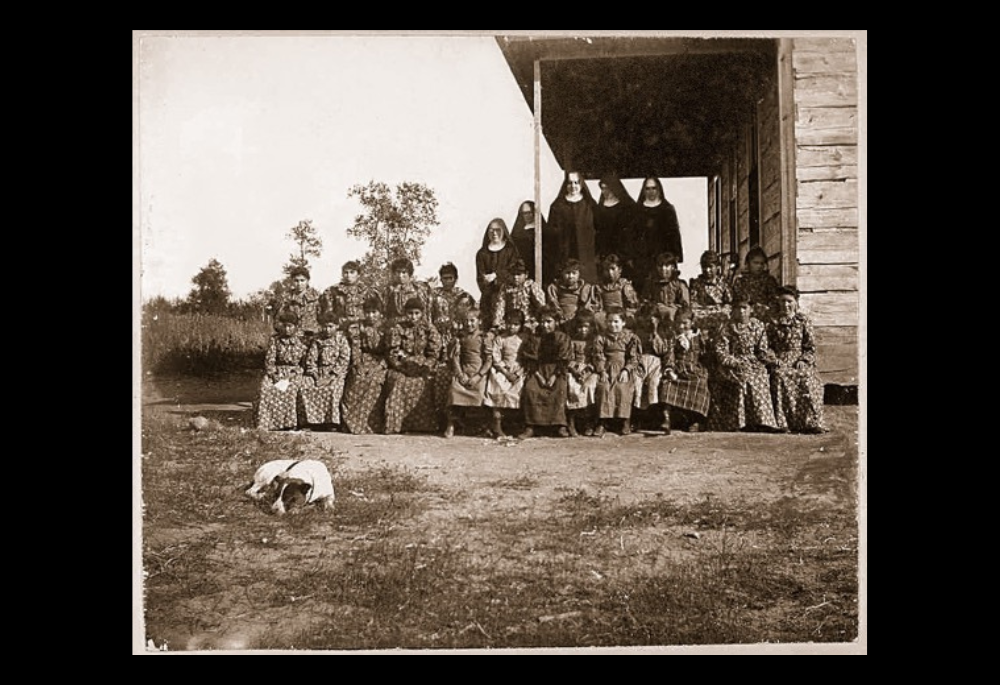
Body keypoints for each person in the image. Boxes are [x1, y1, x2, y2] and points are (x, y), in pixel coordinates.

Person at [712, 295, 779, 432]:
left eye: (744, 308)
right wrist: (734, 362)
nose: (741, 312)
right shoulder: (726, 327)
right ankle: (741, 422)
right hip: (732, 364)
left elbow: (761, 350)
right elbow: (721, 351)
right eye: (738, 308)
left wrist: (768, 360)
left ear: (751, 309)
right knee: (743, 379)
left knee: (760, 377)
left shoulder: (758, 326)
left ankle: (763, 422)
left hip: (752, 362)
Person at [766, 286, 827, 433]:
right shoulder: (772, 322)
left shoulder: (803, 321)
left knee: (806, 378)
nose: (785, 305)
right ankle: (783, 423)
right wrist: (774, 359)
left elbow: (810, 346)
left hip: (799, 359)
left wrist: (804, 360)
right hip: (780, 359)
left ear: (796, 302)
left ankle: (811, 422)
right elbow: (766, 345)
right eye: (782, 301)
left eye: (789, 301)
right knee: (780, 376)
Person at [383, 297, 442, 434]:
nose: (413, 317)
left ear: (422, 313)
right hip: (402, 366)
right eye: (410, 313)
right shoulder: (398, 329)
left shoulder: (429, 328)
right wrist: (402, 367)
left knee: (426, 382)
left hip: (423, 365)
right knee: (398, 382)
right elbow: (392, 352)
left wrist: (425, 366)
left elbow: (434, 352)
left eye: (417, 313)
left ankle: (425, 426)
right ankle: (396, 425)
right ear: (405, 313)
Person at [519, 306, 573, 438]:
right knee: (531, 389)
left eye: (549, 321)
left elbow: (564, 359)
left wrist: (554, 376)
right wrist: (539, 376)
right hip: (538, 370)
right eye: (542, 321)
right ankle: (530, 426)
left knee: (559, 388)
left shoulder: (562, 338)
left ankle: (560, 425)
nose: (545, 325)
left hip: (556, 370)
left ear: (556, 322)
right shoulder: (535, 338)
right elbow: (530, 359)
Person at [656, 307, 711, 434]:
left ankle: (694, 420)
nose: (681, 326)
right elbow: (669, 355)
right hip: (678, 367)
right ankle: (666, 418)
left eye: (685, 323)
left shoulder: (699, 336)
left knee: (700, 384)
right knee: (667, 383)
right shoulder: (673, 337)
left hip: (694, 368)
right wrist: (669, 369)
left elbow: (705, 354)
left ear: (692, 322)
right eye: (678, 323)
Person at [254, 311, 309, 431]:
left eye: (290, 326)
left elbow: (304, 364)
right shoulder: (275, 341)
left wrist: (293, 375)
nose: (287, 329)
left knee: (290, 389)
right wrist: (273, 375)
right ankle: (266, 423)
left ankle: (289, 423)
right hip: (277, 371)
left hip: (294, 373)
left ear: (296, 327)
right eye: (285, 326)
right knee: (266, 388)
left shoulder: (302, 343)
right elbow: (269, 360)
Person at [340, 297, 388, 435]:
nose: (370, 316)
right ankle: (351, 424)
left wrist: (379, 367)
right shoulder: (358, 327)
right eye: (367, 312)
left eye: (374, 312)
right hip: (363, 359)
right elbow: (356, 348)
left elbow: (389, 351)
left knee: (374, 382)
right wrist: (357, 364)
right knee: (356, 380)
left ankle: (371, 425)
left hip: (380, 362)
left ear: (380, 313)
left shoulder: (386, 328)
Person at [593, 307, 642, 437]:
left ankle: (625, 420)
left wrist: (626, 370)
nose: (612, 325)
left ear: (623, 322)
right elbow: (599, 356)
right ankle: (603, 422)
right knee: (604, 388)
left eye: (616, 322)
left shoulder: (630, 337)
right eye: (609, 321)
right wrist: (602, 371)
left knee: (623, 388)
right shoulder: (601, 338)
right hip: (607, 368)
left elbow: (634, 357)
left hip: (623, 368)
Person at [299, 310, 351, 430]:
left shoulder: (341, 339)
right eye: (325, 326)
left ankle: (331, 423)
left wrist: (330, 377)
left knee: (333, 389)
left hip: (336, 374)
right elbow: (311, 359)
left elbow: (344, 359)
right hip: (318, 372)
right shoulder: (317, 339)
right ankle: (310, 422)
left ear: (337, 326)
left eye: (330, 326)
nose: (327, 330)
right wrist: (316, 377)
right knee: (305, 386)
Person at [443, 308, 491, 438]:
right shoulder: (460, 338)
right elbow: (455, 358)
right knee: (454, 390)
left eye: (472, 320)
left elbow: (488, 361)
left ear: (479, 321)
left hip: (479, 373)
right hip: (464, 371)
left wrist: (478, 376)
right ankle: (451, 424)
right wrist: (460, 375)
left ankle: (480, 426)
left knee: (481, 393)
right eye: (466, 321)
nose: (469, 324)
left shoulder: (484, 337)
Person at [484, 309, 529, 438]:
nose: (512, 327)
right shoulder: (500, 338)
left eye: (515, 324)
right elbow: (496, 356)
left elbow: (526, 357)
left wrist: (518, 372)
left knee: (520, 388)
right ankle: (497, 425)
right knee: (497, 387)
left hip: (519, 369)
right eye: (509, 323)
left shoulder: (524, 338)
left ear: (521, 325)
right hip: (503, 370)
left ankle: (518, 425)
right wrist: (505, 371)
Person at [547, 170, 598, 283]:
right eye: (570, 183)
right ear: (565, 185)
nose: (573, 186)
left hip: (585, 254)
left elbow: (598, 229)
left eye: (576, 182)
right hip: (565, 252)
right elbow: (552, 232)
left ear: (581, 184)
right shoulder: (557, 206)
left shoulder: (589, 204)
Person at [634, 177, 683, 293]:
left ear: (659, 189)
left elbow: (674, 235)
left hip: (663, 258)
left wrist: (676, 256)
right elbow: (632, 236)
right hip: (643, 259)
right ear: (644, 190)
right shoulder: (637, 210)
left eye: (654, 188)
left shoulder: (667, 209)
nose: (651, 192)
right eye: (648, 189)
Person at [475, 218, 522, 328]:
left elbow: (515, 270)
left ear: (503, 231)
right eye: (491, 231)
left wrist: (497, 275)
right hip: (489, 296)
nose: (494, 233)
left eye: (497, 230)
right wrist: (487, 283)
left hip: (510, 295)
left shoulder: (511, 250)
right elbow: (480, 277)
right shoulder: (482, 253)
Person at [593, 174, 639, 283]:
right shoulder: (599, 208)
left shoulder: (628, 206)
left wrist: (626, 253)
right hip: (605, 251)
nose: (605, 191)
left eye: (608, 188)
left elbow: (633, 231)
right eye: (603, 188)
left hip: (623, 252)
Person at [431, 262, 477, 361]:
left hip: (458, 336)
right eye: (444, 278)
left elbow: (473, 315)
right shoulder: (434, 295)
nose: (447, 281)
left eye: (450, 278)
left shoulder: (463, 296)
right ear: (441, 279)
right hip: (438, 336)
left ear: (456, 279)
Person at [565, 311, 599, 437]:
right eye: (580, 327)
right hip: (574, 370)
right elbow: (569, 358)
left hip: (590, 370)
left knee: (590, 387)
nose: (583, 330)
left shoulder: (595, 341)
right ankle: (571, 421)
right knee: (572, 386)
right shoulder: (572, 341)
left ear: (591, 327)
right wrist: (575, 371)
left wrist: (587, 371)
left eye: (586, 327)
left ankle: (589, 422)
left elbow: (597, 358)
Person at [492, 258, 547, 333]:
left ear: (526, 274)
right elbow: (500, 305)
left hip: (528, 321)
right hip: (511, 322)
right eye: (513, 274)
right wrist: (497, 323)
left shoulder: (531, 286)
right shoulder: (505, 287)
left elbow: (541, 305)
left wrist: (538, 320)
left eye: (519, 274)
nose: (515, 277)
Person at [320, 260, 378, 325]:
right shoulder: (333, 291)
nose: (348, 275)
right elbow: (327, 313)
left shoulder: (367, 291)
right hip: (341, 328)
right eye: (346, 273)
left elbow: (373, 312)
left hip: (360, 327)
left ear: (358, 274)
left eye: (352, 272)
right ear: (342, 274)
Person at [641, 251, 691, 325]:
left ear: (673, 267)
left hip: (674, 320)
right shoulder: (651, 284)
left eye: (667, 266)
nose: (663, 269)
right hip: (656, 319)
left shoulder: (680, 284)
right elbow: (645, 301)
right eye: (660, 266)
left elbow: (686, 306)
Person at [732, 246, 779, 321]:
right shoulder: (740, 281)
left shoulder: (769, 281)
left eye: (762, 263)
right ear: (748, 263)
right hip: (745, 319)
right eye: (756, 263)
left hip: (765, 318)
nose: (759, 266)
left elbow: (774, 303)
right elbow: (736, 302)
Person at [546, 258, 599, 326]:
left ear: (579, 274)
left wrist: (576, 316)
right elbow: (553, 303)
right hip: (560, 318)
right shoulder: (555, 287)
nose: (570, 276)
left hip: (578, 319)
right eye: (567, 273)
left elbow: (586, 306)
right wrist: (560, 315)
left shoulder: (584, 288)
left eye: (574, 273)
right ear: (562, 273)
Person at [594, 253, 640, 330]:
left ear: (619, 270)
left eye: (613, 269)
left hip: (621, 314)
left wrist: (624, 314)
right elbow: (597, 306)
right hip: (606, 316)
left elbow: (631, 306)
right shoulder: (599, 287)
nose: (610, 272)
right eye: (606, 269)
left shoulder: (624, 285)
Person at [383, 257, 432, 325]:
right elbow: (385, 313)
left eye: (404, 272)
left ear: (409, 274)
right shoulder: (389, 291)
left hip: (416, 327)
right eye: (398, 272)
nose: (400, 276)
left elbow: (425, 312)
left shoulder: (418, 290)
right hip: (395, 329)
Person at [509, 200, 551, 282]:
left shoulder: (544, 230)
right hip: (523, 269)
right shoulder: (517, 232)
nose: (527, 215)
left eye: (530, 212)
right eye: (524, 213)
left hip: (543, 268)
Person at [276, 266, 321, 337]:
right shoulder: (287, 298)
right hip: (292, 338)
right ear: (292, 281)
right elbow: (278, 320)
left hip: (312, 337)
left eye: (302, 280)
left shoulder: (316, 297)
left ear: (308, 281)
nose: (299, 284)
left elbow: (324, 319)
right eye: (296, 281)